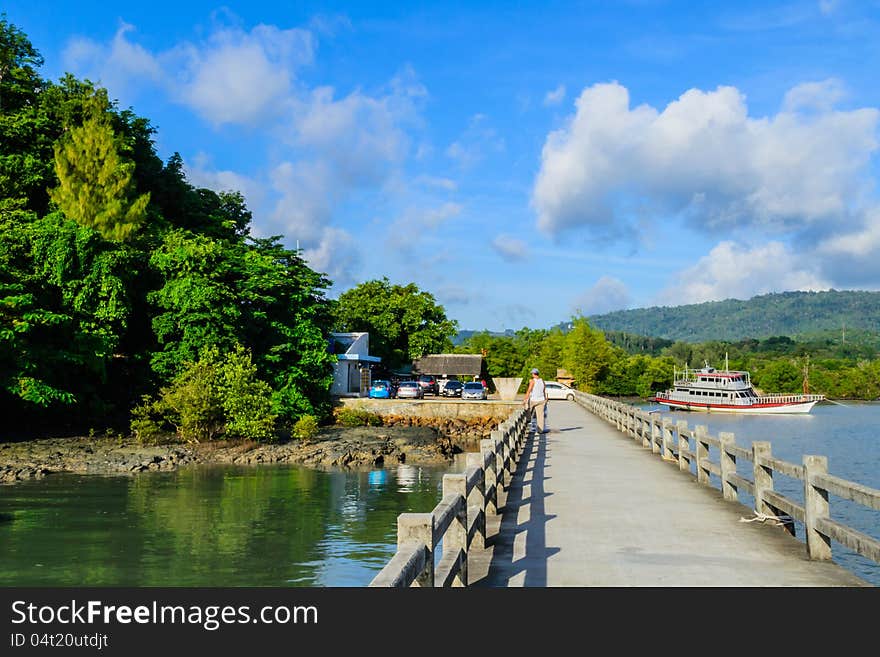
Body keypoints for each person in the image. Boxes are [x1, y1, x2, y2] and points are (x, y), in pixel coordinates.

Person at [522, 367, 548, 434]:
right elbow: (544, 390)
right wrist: (545, 399)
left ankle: (526, 423)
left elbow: (529, 390)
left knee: (526, 410)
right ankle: (540, 430)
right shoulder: (542, 381)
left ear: (533, 374)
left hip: (534, 400)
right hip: (541, 400)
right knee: (540, 416)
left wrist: (525, 399)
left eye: (532, 374)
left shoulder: (533, 381)